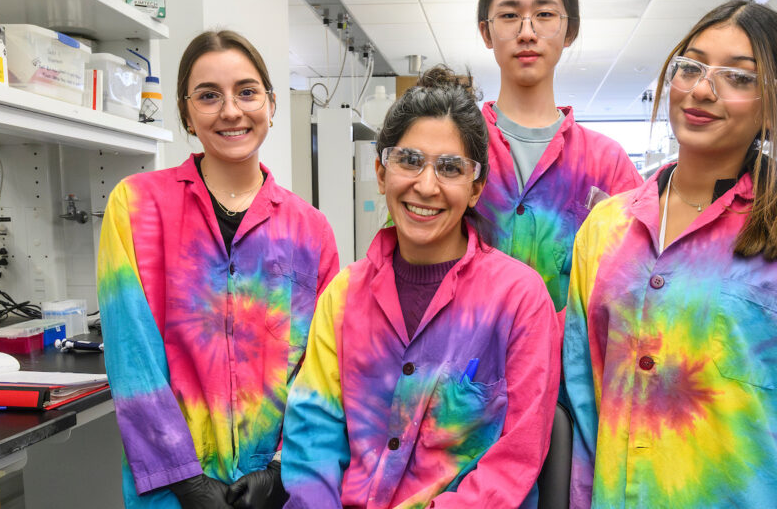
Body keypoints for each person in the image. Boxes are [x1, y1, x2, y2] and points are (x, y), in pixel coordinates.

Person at [562, 1, 777, 508]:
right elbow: (583, 398)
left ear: (773, 106)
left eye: (738, 77)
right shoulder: (606, 230)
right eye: (690, 67)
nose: (702, 90)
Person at [281, 66, 559, 509]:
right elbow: (312, 434)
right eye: (409, 161)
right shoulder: (344, 295)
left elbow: (515, 459)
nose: (425, 186)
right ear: (381, 171)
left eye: (450, 168)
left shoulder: (518, 299)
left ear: (476, 187)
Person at [98, 30, 340, 509]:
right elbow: (133, 358)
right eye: (209, 96)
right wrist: (186, 480)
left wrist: (279, 470)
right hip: (170, 491)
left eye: (247, 92)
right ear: (187, 113)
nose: (231, 110)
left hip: (281, 488)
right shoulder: (137, 206)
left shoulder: (310, 230)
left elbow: (323, 367)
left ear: (270, 104)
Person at [474, 0, 643, 313]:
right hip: (468, 366)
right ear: (486, 32)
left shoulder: (607, 164)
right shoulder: (459, 148)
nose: (527, 32)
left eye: (545, 14)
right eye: (509, 15)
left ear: (570, 30)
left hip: (570, 368)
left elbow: (638, 282)